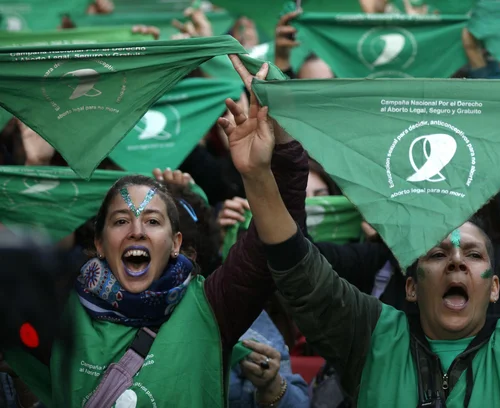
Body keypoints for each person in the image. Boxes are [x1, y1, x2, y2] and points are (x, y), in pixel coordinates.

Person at [240, 79, 500, 407]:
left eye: (474, 253)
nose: (457, 261)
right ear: (410, 286)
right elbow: (298, 272)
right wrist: (257, 174)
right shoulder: (368, 336)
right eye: (437, 253)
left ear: (495, 286)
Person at [1, 59, 309, 408]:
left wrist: (271, 161)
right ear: (100, 244)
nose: (136, 231)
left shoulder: (213, 307)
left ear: (176, 242)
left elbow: (276, 245)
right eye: (120, 221)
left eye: (152, 221)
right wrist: (35, 169)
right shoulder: (57, 312)